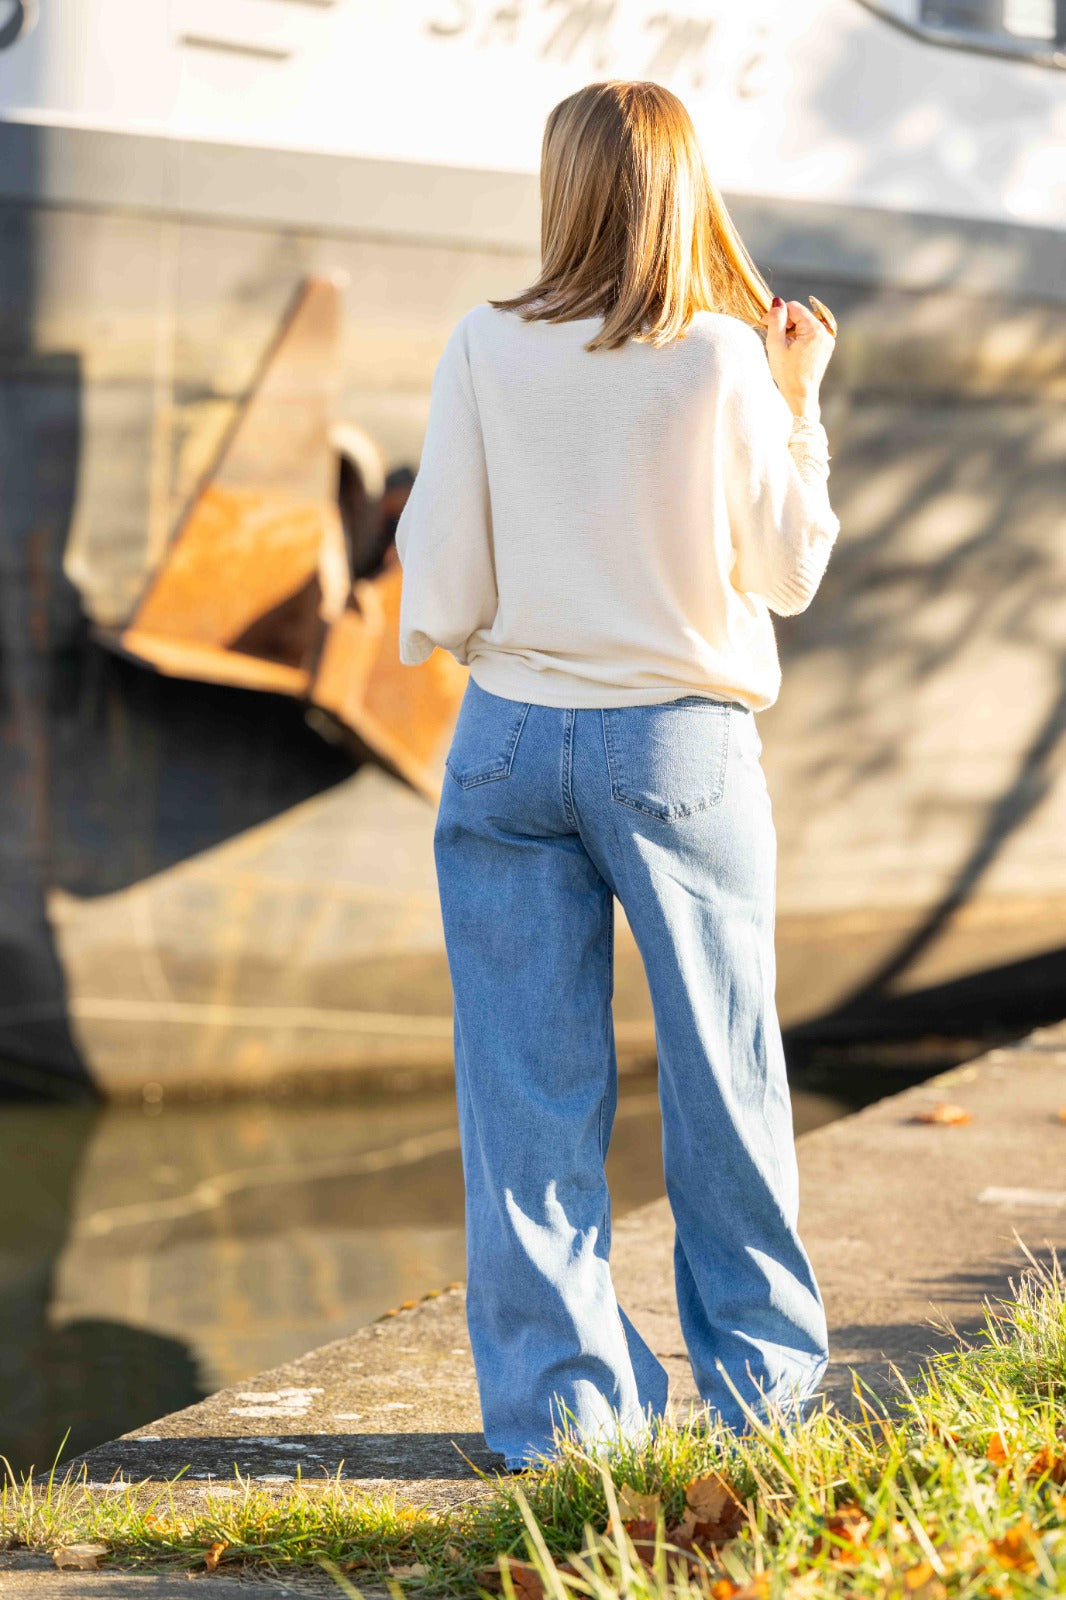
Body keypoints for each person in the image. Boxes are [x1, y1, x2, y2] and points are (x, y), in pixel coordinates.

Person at [394, 79, 839, 1472]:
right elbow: (786, 571)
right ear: (680, 192)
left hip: (508, 742)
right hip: (677, 751)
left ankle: (563, 1427)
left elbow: (441, 574)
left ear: (565, 187)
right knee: (724, 1083)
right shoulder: (720, 359)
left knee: (523, 1104)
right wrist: (800, 403)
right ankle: (765, 1409)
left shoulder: (483, 342)